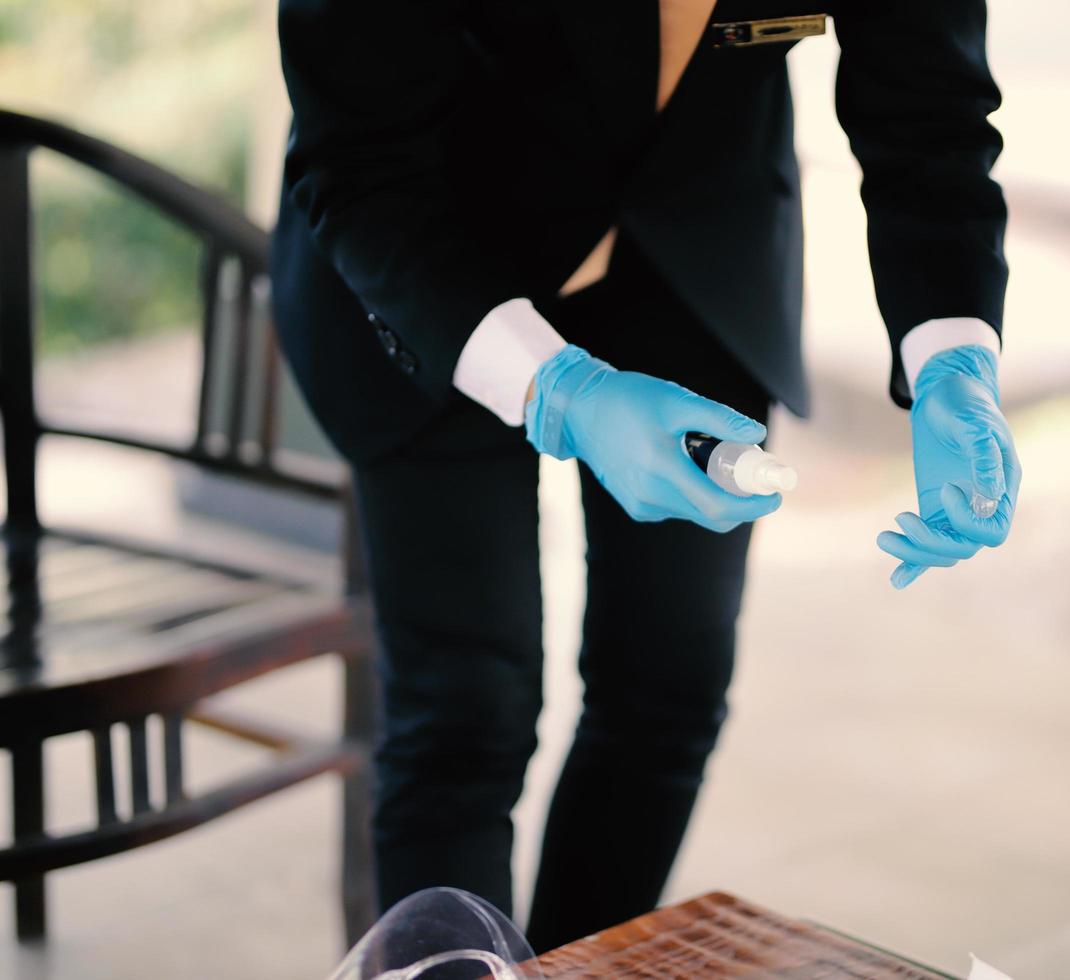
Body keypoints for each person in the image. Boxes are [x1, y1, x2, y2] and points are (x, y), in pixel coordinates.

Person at [269, 0, 1020, 951]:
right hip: (430, 253)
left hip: (698, 238)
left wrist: (955, 352)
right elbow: (362, 159)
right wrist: (559, 389)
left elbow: (928, 100)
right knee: (465, 713)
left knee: (667, 688)